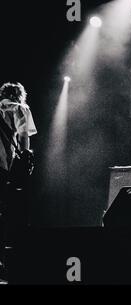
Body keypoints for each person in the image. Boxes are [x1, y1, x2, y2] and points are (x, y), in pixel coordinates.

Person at [0, 82, 37, 281]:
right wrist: (25, 158)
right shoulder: (21, 108)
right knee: (5, 212)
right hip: (2, 165)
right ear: (20, 95)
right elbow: (24, 137)